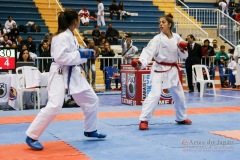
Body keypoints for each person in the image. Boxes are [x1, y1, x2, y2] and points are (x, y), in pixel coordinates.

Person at [25, 9, 106, 151]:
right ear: (75, 21)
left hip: (73, 72)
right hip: (59, 73)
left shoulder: (71, 35)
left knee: (92, 100)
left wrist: (89, 53)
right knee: (55, 105)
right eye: (78, 19)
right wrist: (81, 54)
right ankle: (32, 136)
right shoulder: (61, 37)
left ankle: (90, 129)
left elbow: (75, 52)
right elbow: (60, 58)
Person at [131, 14, 192, 130]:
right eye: (159, 22)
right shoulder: (157, 39)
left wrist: (182, 49)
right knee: (155, 94)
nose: (160, 24)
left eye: (163, 22)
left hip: (172, 70)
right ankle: (144, 120)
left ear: (170, 25)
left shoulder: (177, 37)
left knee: (179, 95)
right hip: (159, 69)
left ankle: (181, 117)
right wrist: (140, 62)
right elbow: (148, 52)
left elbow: (184, 56)